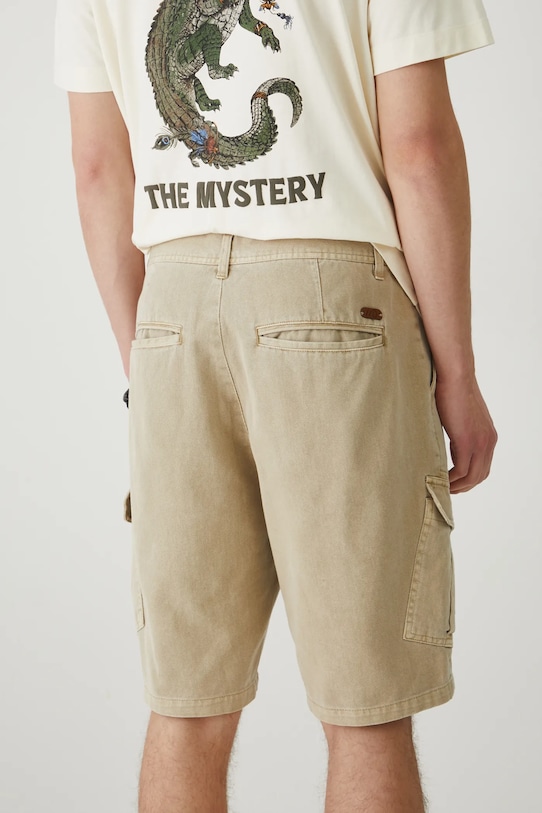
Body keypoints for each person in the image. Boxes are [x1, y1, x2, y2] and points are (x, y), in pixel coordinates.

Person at [54, 1, 498, 810]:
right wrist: (458, 376)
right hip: (335, 305)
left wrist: (145, 355)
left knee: (187, 707)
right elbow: (420, 148)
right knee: (366, 711)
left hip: (171, 305)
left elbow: (95, 166)